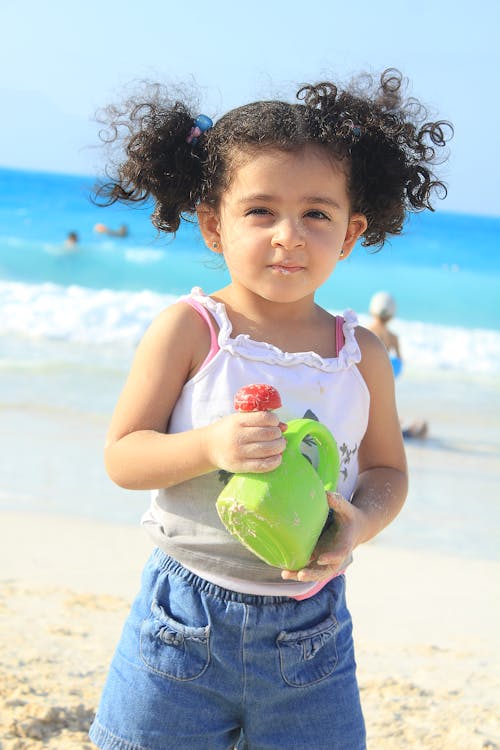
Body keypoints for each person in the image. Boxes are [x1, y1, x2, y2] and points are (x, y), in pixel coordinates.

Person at [89, 69, 451, 750]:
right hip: (182, 620)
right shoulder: (192, 330)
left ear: (349, 234)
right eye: (261, 211)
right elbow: (122, 455)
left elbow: (386, 471)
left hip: (311, 633)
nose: (290, 235)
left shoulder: (361, 354)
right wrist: (211, 446)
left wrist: (360, 523)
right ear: (212, 225)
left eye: (317, 213)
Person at [368, 291, 429, 439]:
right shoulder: (393, 338)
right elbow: (399, 363)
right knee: (381, 413)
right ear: (392, 315)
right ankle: (404, 431)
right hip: (383, 378)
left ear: (372, 310)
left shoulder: (365, 332)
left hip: (366, 376)